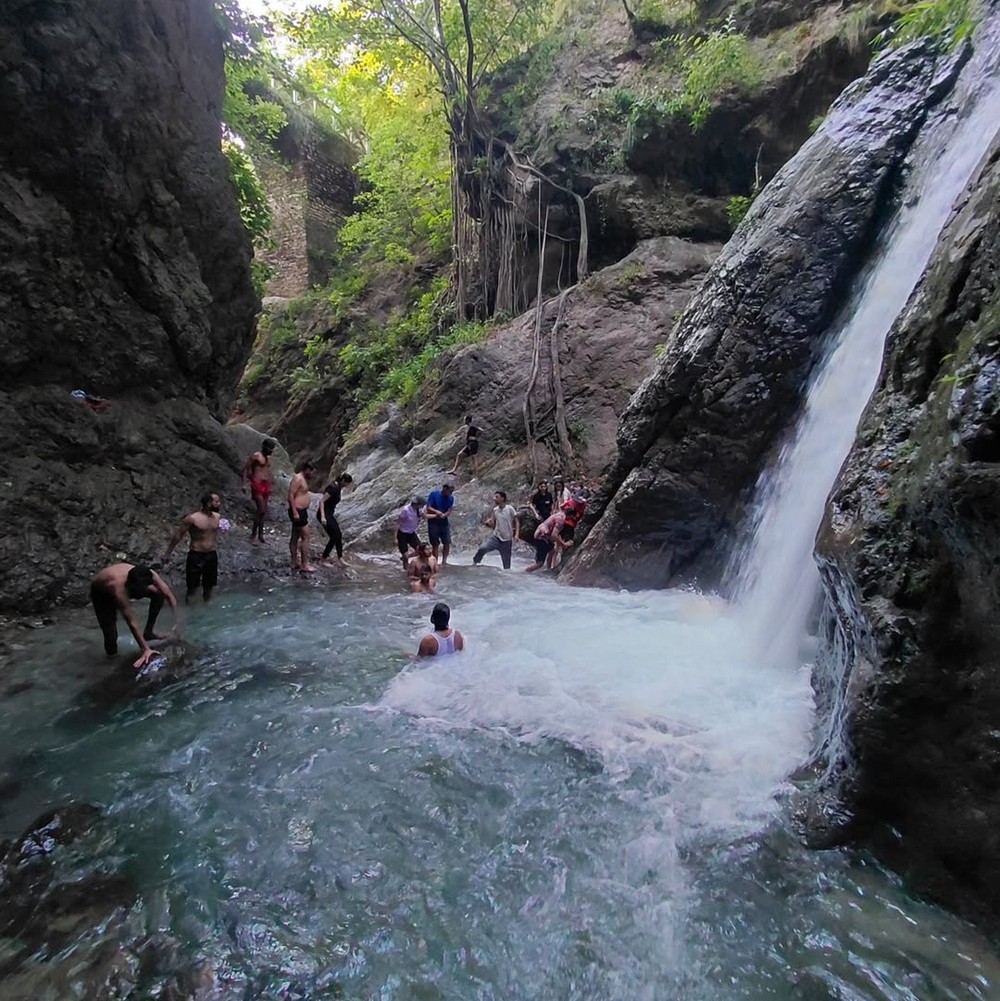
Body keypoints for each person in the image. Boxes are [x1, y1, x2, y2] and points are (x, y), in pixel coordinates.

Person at [90, 564, 178, 669]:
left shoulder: (150, 574)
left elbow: (169, 596)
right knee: (110, 634)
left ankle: (148, 632)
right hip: (101, 593)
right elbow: (131, 621)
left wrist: (177, 623)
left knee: (158, 594)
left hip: (131, 582)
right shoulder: (118, 588)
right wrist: (145, 649)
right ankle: (111, 659)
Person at [162, 492, 223, 602]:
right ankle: (189, 608)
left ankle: (207, 609)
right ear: (209, 503)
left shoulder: (217, 517)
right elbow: (178, 535)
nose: (219, 503)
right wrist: (168, 553)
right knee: (192, 588)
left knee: (209, 587)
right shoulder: (193, 518)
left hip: (211, 554)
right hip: (196, 555)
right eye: (216, 501)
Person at [473, 491, 520, 569]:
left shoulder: (509, 508)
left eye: (497, 497)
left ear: (502, 498)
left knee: (507, 566)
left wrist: (517, 534)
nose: (494, 499)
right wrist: (488, 523)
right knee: (483, 548)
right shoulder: (495, 510)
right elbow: (493, 524)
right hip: (496, 537)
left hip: (507, 540)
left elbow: (517, 521)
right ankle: (475, 562)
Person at [243, 439, 276, 545]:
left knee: (263, 511)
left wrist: (272, 484)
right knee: (261, 510)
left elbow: (268, 471)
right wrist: (244, 483)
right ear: (264, 447)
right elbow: (245, 468)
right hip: (257, 485)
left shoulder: (269, 458)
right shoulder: (256, 456)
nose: (270, 451)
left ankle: (261, 535)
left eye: (272, 449)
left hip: (266, 486)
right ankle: (253, 535)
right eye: (269, 449)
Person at [318, 472, 353, 565]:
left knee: (338, 535)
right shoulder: (333, 488)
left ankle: (340, 558)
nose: (347, 485)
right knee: (334, 536)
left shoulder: (338, 488)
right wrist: (322, 516)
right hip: (325, 514)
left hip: (329, 514)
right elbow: (321, 501)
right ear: (343, 481)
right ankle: (323, 559)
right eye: (347, 483)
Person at [288, 460, 317, 573]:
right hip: (298, 511)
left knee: (295, 536)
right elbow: (290, 495)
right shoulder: (298, 478)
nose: (313, 475)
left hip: (301, 511)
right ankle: (305, 564)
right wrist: (295, 512)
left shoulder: (303, 479)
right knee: (306, 535)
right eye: (312, 472)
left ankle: (294, 561)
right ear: (307, 470)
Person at [526, 507, 567, 573]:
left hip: (543, 535)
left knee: (552, 551)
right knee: (539, 564)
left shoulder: (560, 514)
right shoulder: (561, 520)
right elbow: (554, 535)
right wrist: (563, 544)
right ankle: (525, 572)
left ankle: (548, 569)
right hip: (541, 538)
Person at [425, 482, 455, 565]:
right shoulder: (434, 494)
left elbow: (449, 509)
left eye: (452, 492)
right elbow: (428, 507)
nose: (450, 493)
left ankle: (444, 561)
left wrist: (445, 514)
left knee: (447, 542)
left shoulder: (451, 498)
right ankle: (435, 562)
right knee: (435, 543)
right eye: (450, 491)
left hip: (444, 521)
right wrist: (437, 512)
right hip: (433, 521)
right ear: (444, 489)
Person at [396, 496, 425, 570]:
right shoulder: (406, 510)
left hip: (411, 533)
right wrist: (395, 537)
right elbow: (398, 523)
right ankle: (405, 570)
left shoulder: (419, 510)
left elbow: (425, 516)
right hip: (402, 533)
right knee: (405, 555)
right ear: (417, 504)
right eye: (422, 505)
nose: (423, 507)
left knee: (421, 550)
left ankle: (406, 557)